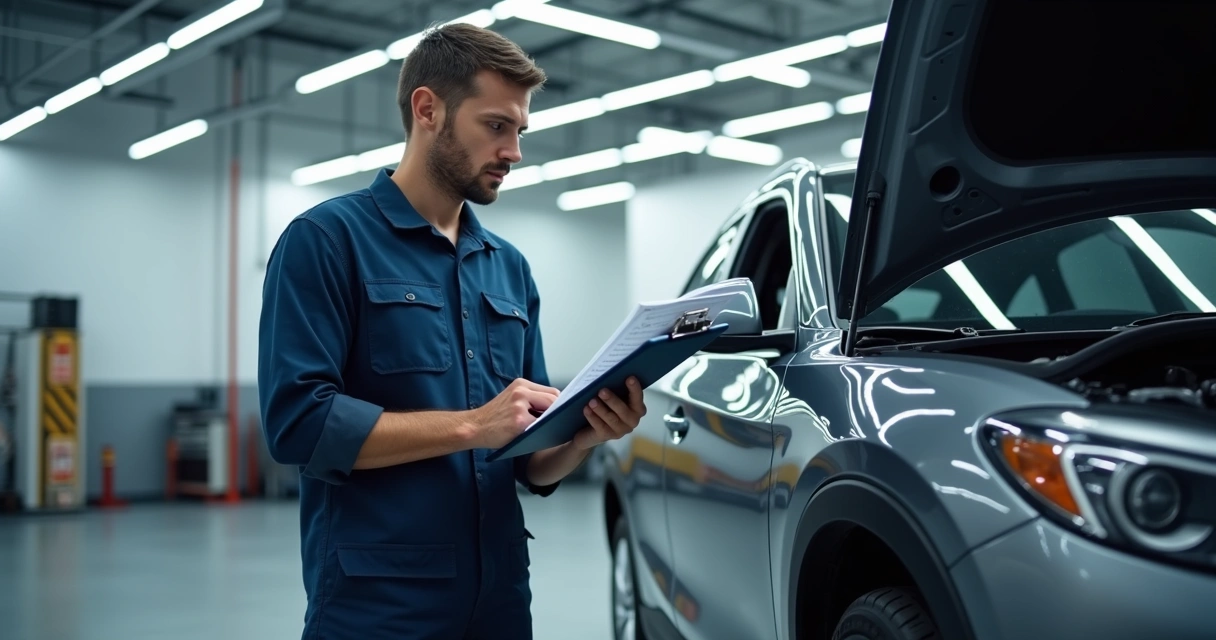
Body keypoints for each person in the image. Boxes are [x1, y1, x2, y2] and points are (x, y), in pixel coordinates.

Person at [257, 22, 647, 640]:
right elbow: (298, 425)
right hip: (378, 606)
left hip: (499, 600)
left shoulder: (509, 268)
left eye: (520, 131)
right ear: (428, 109)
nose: (514, 151)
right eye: (496, 126)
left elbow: (529, 461)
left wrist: (583, 437)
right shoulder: (326, 242)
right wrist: (473, 425)